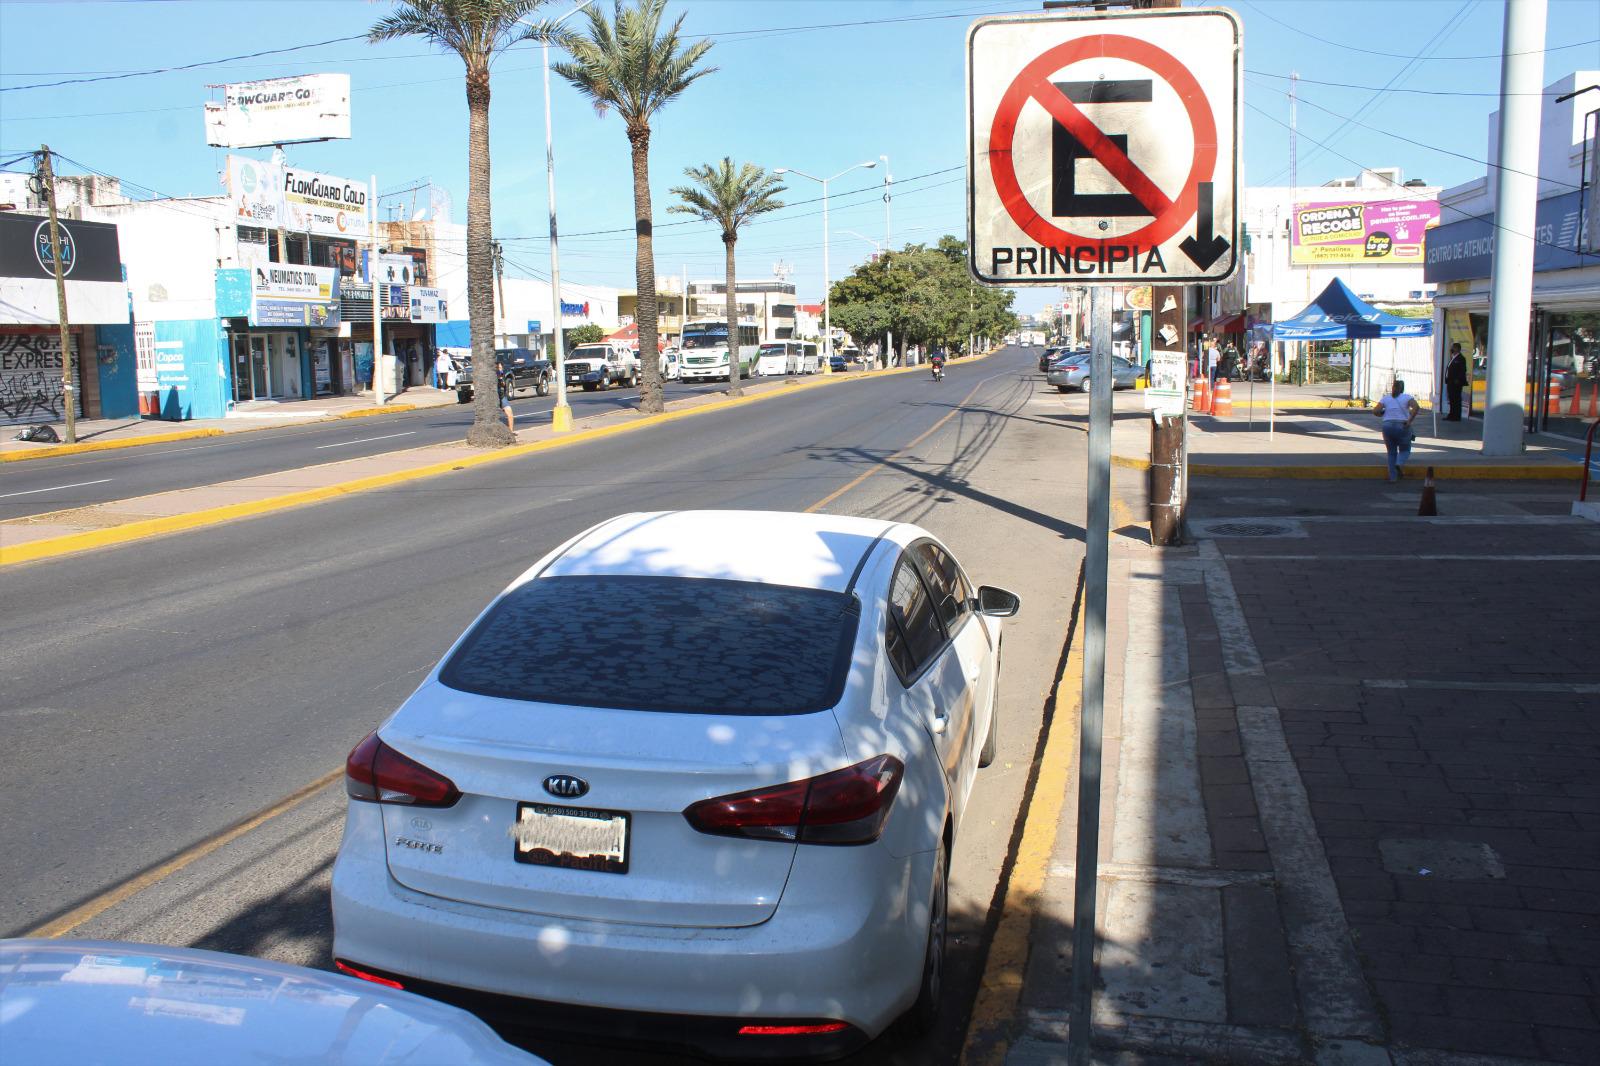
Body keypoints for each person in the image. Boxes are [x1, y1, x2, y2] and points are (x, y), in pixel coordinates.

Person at [1375, 378, 1421, 482]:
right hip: (1402, 425)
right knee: (1405, 450)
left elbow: (1375, 411)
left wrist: (1382, 413)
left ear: (1392, 388)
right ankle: (1399, 464)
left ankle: (1392, 477)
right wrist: (1409, 420)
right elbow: (1416, 407)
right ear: (1402, 389)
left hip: (1387, 426)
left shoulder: (1385, 398)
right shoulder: (1407, 397)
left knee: (1391, 452)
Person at [1444, 342, 1467, 422]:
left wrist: (1457, 379)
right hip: (1450, 382)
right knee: (1451, 399)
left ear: (1457, 349)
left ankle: (1456, 416)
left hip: (1456, 383)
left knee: (1456, 399)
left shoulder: (1461, 358)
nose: (1452, 349)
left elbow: (1462, 370)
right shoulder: (1453, 358)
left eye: (1453, 348)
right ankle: (1451, 414)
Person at [496, 363, 515, 434]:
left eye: (500, 368)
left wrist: (500, 379)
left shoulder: (502, 376)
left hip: (502, 397)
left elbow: (504, 385)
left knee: (510, 414)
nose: (499, 369)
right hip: (494, 398)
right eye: (497, 368)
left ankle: (511, 432)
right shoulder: (491, 378)